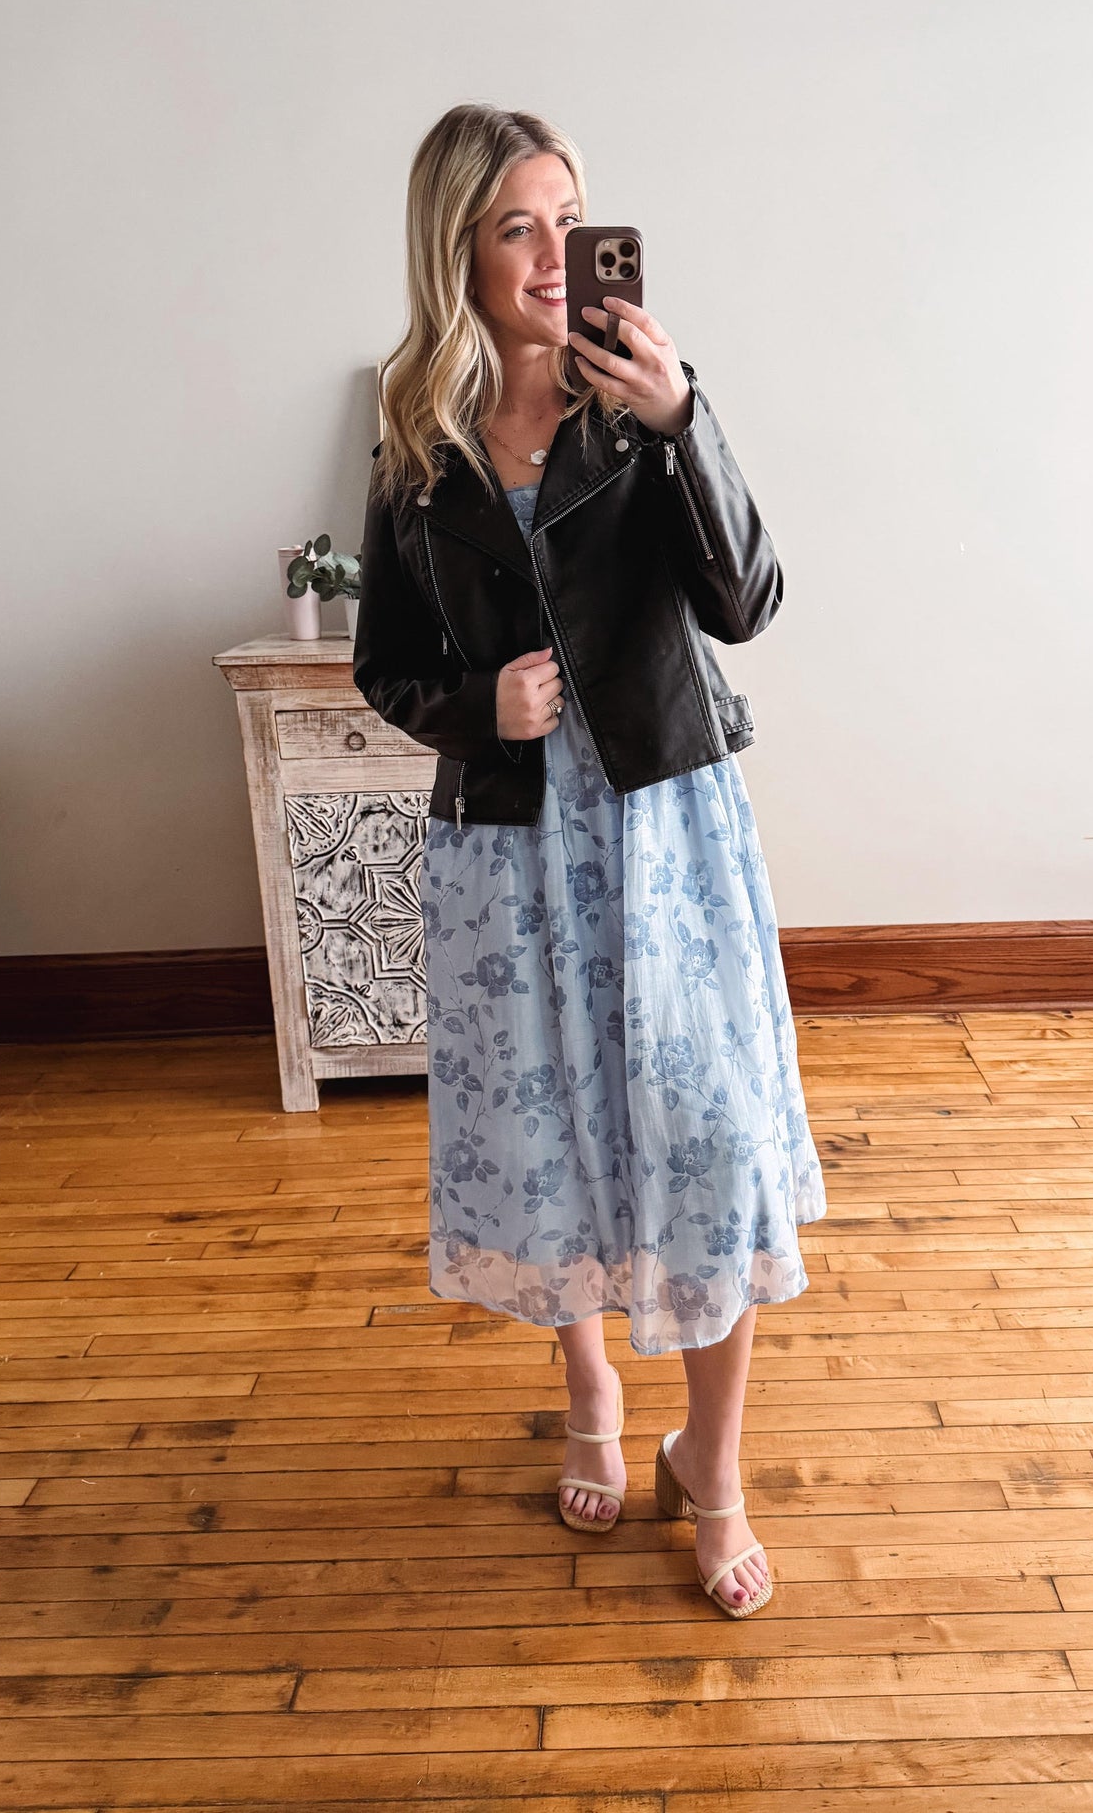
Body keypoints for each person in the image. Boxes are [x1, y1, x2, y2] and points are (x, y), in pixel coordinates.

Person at [353, 102, 826, 1619]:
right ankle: (591, 1398)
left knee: (707, 1139)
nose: (554, 255)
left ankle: (716, 1462)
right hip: (507, 846)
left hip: (664, 834)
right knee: (550, 1131)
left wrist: (686, 418)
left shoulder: (647, 401)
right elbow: (384, 663)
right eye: (516, 227)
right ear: (460, 254)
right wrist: (474, 707)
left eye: (569, 217)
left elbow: (745, 599)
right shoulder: (413, 441)